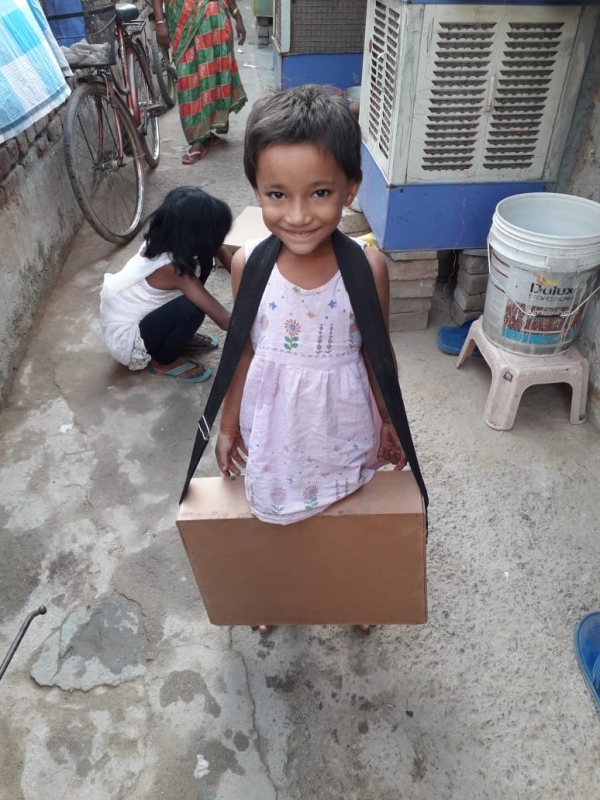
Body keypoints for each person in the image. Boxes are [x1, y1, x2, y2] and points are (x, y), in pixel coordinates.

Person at [215, 85, 408, 631]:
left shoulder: (366, 268)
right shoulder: (247, 265)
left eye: (319, 192)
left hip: (342, 425)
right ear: (256, 189)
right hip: (274, 430)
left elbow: (378, 354)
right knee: (277, 521)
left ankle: (350, 597)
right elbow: (243, 351)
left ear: (351, 188)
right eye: (277, 195)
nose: (298, 215)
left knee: (344, 516)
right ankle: (277, 598)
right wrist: (227, 426)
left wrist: (389, 421)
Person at [100, 186, 232, 382]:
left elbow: (231, 264)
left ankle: (178, 336)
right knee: (193, 308)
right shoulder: (172, 268)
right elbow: (225, 321)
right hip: (128, 339)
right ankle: (163, 362)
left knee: (205, 262)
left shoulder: (168, 240)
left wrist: (217, 245)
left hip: (146, 318)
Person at [152, 0, 247, 165]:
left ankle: (205, 133)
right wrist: (160, 21)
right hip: (183, 19)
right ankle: (198, 137)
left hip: (215, 17)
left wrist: (237, 16)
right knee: (189, 78)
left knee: (214, 74)